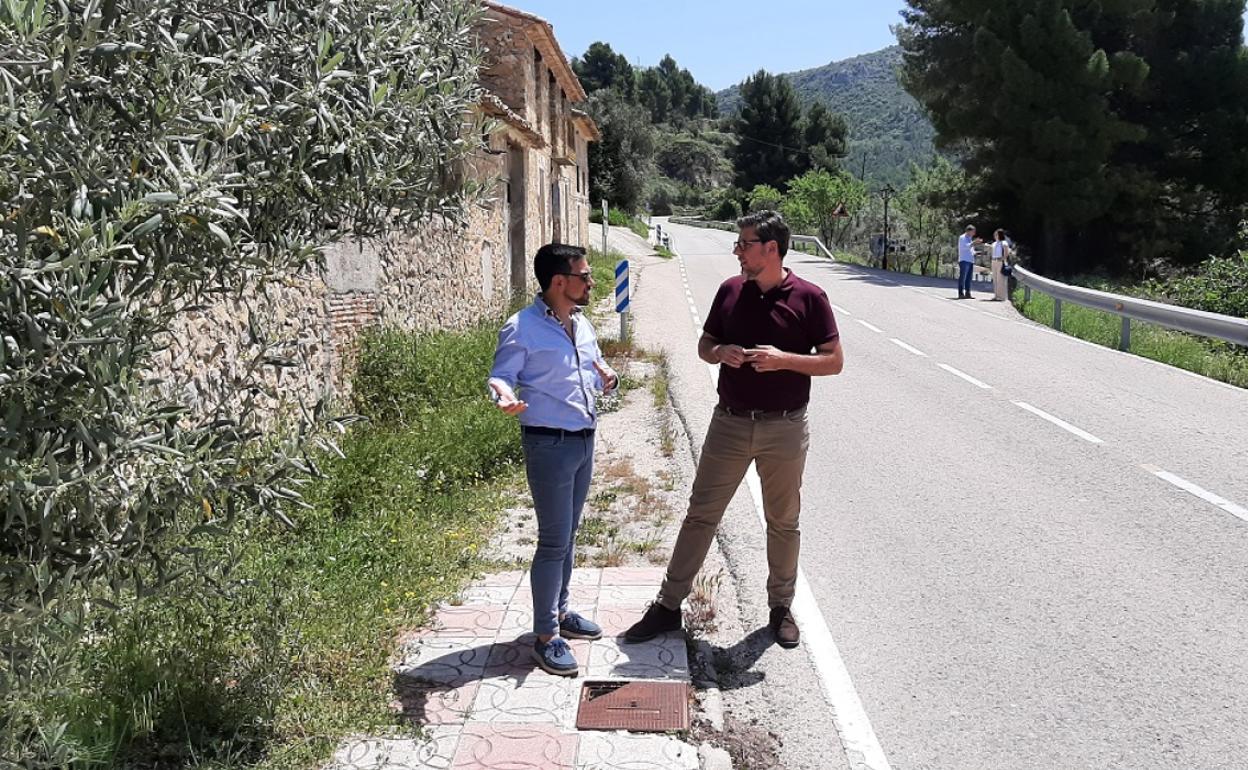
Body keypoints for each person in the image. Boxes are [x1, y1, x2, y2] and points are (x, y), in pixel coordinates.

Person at [624, 210, 844, 650]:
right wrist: (719, 351)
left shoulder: (810, 297)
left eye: (744, 243)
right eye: (739, 244)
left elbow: (834, 361)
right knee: (701, 514)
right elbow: (705, 345)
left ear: (771, 249)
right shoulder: (729, 291)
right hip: (729, 422)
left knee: (783, 522)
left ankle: (781, 608)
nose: (738, 251)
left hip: (785, 428)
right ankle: (668, 606)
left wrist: (784, 359)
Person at [487, 243, 619, 676]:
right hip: (548, 443)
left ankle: (561, 613)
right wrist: (504, 396)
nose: (591, 282)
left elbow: (593, 369)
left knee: (569, 533)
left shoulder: (581, 324)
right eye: (584, 276)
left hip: (583, 440)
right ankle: (546, 637)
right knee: (552, 541)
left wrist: (607, 377)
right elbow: (501, 376)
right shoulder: (521, 327)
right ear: (559, 282)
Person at [957, 224, 981, 299]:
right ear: (968, 231)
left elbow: (971, 250)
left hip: (970, 260)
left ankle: (968, 293)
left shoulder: (970, 239)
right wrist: (973, 243)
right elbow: (964, 247)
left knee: (969, 278)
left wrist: (976, 253)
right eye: (973, 232)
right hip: (964, 260)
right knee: (963, 277)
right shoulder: (962, 238)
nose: (974, 233)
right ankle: (961, 293)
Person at [990, 228, 1011, 301]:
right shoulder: (994, 243)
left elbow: (1006, 252)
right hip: (994, 261)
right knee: (995, 279)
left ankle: (1001, 297)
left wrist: (1003, 258)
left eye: (996, 234)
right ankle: (996, 295)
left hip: (1000, 262)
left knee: (1000, 279)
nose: (995, 235)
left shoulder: (1004, 242)